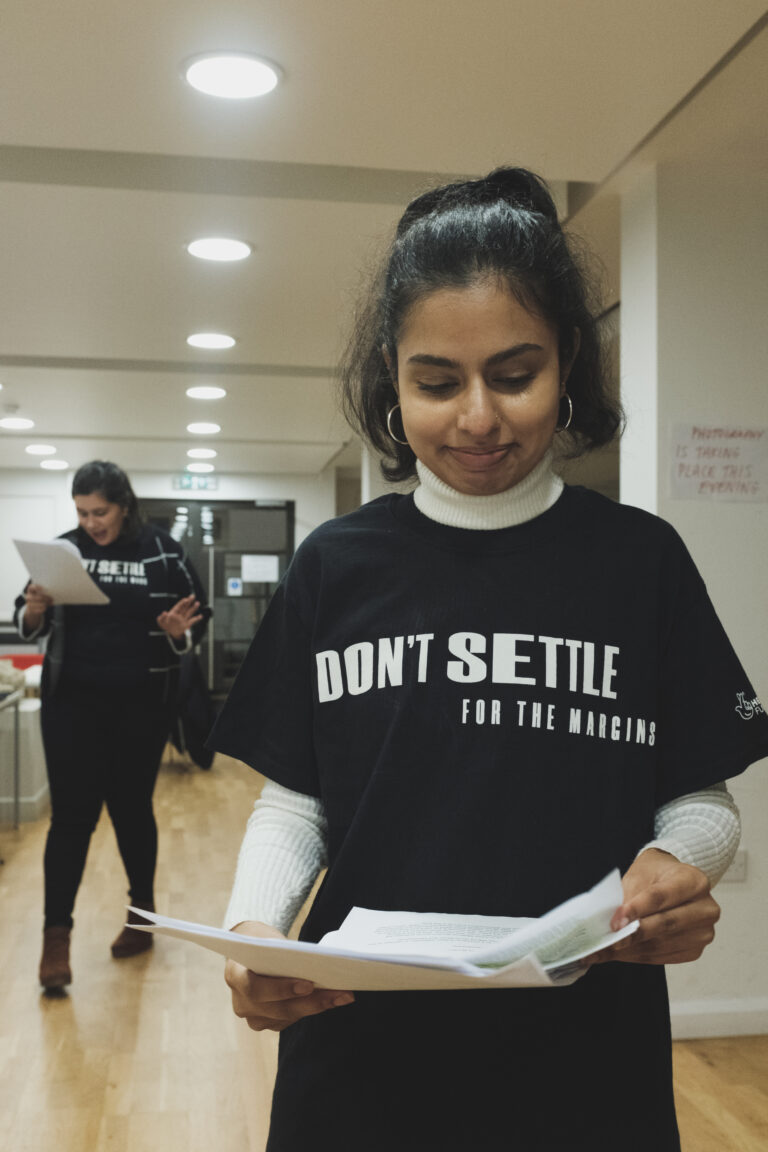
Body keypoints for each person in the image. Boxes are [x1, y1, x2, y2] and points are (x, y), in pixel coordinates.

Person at [208, 169, 768, 1151]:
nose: (477, 417)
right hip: (360, 1060)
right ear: (392, 375)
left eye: (514, 375)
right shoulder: (336, 566)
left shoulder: (639, 562)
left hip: (586, 1063)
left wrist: (676, 863)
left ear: (569, 360)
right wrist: (254, 930)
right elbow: (297, 803)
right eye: (437, 382)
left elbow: (699, 795)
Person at [14, 460, 211, 990]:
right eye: (82, 512)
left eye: (100, 512)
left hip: (142, 706)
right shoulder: (62, 551)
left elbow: (197, 620)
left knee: (131, 810)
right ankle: (56, 939)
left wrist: (178, 631)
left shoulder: (163, 552)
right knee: (71, 819)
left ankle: (141, 917)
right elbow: (26, 620)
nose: (91, 522)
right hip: (71, 706)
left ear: (124, 505)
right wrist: (34, 609)